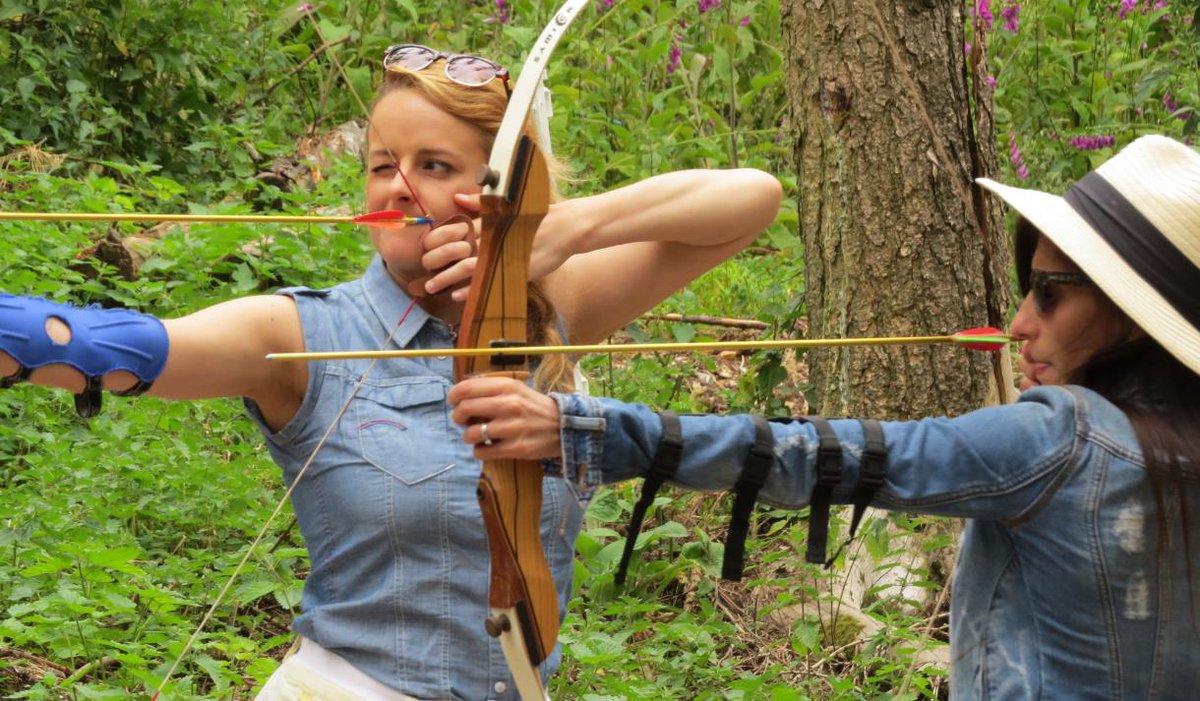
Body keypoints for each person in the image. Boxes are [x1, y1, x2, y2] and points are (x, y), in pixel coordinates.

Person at [0, 44, 783, 700]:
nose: (399, 188)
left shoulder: (549, 311)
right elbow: (131, 348)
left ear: (505, 188)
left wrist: (560, 231)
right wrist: (26, 336)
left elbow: (751, 198)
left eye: (435, 165)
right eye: (383, 165)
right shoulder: (305, 331)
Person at [448, 134, 1200, 699]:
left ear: (1131, 317)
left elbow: (814, 454)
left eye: (1049, 294)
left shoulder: (1057, 439)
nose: (1018, 323)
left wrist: (588, 428)